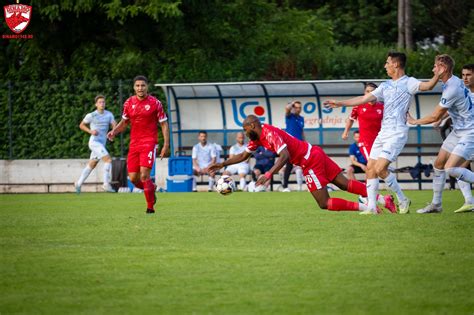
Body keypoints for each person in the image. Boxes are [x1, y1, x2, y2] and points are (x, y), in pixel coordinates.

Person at [324, 51, 442, 214]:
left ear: (396, 64)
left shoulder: (409, 82)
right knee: (371, 168)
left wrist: (437, 75)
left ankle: (402, 199)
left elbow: (428, 86)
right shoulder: (385, 85)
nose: (385, 66)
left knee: (380, 168)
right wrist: (340, 103)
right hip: (383, 133)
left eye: (387, 62)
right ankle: (372, 207)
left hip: (397, 132)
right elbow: (363, 99)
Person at [207, 115, 396, 213]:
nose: (245, 132)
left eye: (245, 129)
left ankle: (368, 207)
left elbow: (285, 156)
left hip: (309, 160)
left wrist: (269, 174)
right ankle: (382, 200)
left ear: (252, 126)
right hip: (314, 152)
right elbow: (242, 156)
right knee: (344, 184)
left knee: (324, 203)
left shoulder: (270, 133)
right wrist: (222, 164)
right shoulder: (257, 137)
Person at [407, 55, 474, 213]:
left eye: (435, 66)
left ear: (443, 69)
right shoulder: (453, 81)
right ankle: (436, 204)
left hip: (470, 132)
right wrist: (442, 118)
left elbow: (434, 116)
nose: (433, 69)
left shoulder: (451, 88)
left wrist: (414, 121)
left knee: (451, 168)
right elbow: (451, 108)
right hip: (459, 130)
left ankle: (468, 201)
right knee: (439, 164)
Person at [107, 75, 169, 214]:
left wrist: (165, 145)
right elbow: (124, 123)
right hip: (134, 144)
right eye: (137, 86)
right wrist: (114, 132)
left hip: (149, 142)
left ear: (147, 87)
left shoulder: (155, 103)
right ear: (134, 87)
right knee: (134, 178)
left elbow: (164, 124)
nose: (140, 88)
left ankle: (150, 208)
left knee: (144, 176)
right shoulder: (128, 103)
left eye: (143, 85)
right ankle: (150, 188)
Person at [75, 95, 117, 193]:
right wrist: (91, 131)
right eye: (100, 102)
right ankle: (106, 184)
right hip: (94, 142)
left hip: (102, 144)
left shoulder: (109, 114)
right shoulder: (91, 115)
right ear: (96, 104)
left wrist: (113, 133)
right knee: (108, 160)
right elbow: (81, 125)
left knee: (92, 164)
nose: (102, 104)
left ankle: (78, 183)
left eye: (103, 102)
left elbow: (114, 124)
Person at [341, 82, 383, 161]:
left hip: (380, 140)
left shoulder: (382, 106)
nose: (369, 93)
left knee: (379, 166)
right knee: (372, 164)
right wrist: (345, 132)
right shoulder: (358, 106)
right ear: (364, 93)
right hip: (365, 142)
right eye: (367, 91)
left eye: (372, 91)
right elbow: (351, 119)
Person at [282, 100, 305, 192]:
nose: (298, 109)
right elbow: (287, 108)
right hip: (290, 144)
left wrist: (305, 142)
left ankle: (303, 186)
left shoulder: (301, 118)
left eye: (300, 108)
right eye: (296, 107)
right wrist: (292, 103)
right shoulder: (289, 116)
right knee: (289, 164)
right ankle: (285, 187)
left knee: (304, 164)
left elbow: (301, 132)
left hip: (300, 145)